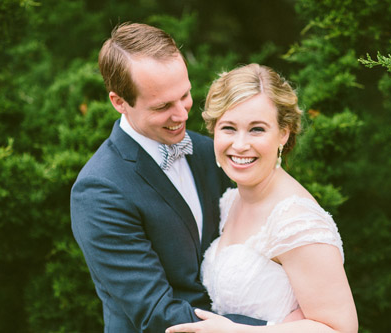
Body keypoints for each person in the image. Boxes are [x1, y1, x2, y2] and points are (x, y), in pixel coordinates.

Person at [70, 23, 266, 332]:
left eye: (185, 95)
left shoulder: (208, 151)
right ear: (119, 101)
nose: (183, 114)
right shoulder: (100, 189)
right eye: (163, 106)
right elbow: (155, 314)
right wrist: (270, 327)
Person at [166, 64, 358, 333]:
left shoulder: (296, 220)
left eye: (257, 129)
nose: (241, 144)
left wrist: (236, 332)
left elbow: (340, 329)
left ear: (283, 132)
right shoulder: (231, 200)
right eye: (229, 128)